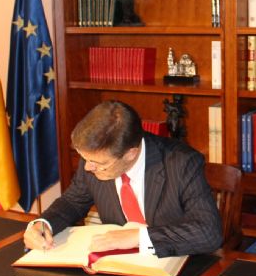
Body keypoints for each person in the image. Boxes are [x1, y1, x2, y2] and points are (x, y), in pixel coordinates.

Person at [24, 100, 223, 257]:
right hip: (117, 268)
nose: (88, 167)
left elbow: (208, 232)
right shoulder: (94, 160)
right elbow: (72, 202)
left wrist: (139, 237)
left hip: (175, 266)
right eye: (85, 159)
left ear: (131, 153)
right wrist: (43, 224)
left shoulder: (181, 163)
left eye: (99, 163)